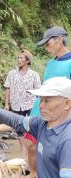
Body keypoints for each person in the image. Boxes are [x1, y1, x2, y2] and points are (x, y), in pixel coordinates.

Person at [0, 77, 71, 178]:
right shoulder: (42, 124)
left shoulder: (67, 140)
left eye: (47, 101)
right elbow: (18, 121)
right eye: (41, 100)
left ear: (67, 104)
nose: (41, 105)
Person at [26, 26, 71, 178]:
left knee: (53, 147)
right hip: (40, 108)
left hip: (60, 112)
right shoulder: (51, 63)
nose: (46, 47)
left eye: (48, 43)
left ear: (59, 40)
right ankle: (34, 173)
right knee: (31, 144)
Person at [4, 49, 41, 155]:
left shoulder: (34, 75)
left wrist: (39, 106)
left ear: (27, 61)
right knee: (18, 127)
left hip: (30, 104)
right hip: (15, 104)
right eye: (18, 58)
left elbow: (39, 91)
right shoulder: (12, 73)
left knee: (32, 126)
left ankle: (33, 147)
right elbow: (7, 88)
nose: (19, 60)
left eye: (21, 58)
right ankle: (23, 149)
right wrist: (6, 104)